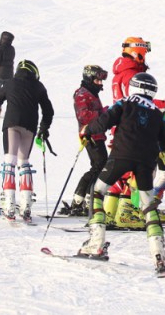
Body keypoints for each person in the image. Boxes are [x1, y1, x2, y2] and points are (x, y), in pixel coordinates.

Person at [76, 72, 165, 273]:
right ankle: (158, 253)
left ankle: (96, 242)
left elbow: (104, 120)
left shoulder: (124, 102)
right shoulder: (157, 112)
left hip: (121, 156)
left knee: (97, 191)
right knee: (148, 205)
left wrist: (87, 130)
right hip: (146, 162)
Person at [0, 59, 54, 222]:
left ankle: (9, 203)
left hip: (11, 124)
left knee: (9, 161)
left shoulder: (10, 83)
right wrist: (43, 128)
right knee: (24, 162)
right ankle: (26, 205)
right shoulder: (39, 86)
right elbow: (48, 110)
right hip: (29, 126)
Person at [65, 65, 109, 217]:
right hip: (90, 135)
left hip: (97, 134)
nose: (100, 83)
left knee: (99, 166)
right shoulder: (82, 94)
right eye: (98, 80)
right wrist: (103, 114)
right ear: (90, 78)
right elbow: (83, 116)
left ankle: (82, 199)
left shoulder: (91, 93)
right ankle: (82, 200)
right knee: (100, 165)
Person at [112, 37, 150, 102]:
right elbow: (139, 101)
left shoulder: (121, 72)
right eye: (144, 53)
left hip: (121, 111)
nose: (144, 57)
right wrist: (163, 104)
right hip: (132, 111)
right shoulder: (132, 75)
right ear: (138, 53)